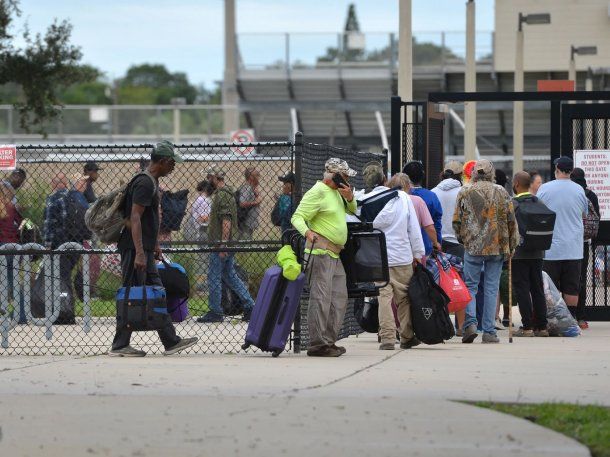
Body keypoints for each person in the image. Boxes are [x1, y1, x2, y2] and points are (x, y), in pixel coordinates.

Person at [110, 141, 198, 357]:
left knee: (157, 292)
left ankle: (170, 341)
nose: (174, 167)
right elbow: (135, 217)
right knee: (131, 293)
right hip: (134, 249)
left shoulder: (151, 181)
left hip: (144, 249)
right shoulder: (145, 183)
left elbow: (148, 219)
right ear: (163, 161)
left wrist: (154, 244)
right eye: (172, 163)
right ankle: (120, 344)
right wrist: (140, 252)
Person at [291, 158, 357, 357]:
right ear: (335, 176)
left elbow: (352, 211)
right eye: (344, 176)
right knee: (321, 298)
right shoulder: (318, 192)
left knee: (339, 297)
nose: (347, 180)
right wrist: (307, 233)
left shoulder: (337, 193)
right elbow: (297, 217)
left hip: (335, 253)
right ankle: (317, 344)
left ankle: (328, 340)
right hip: (321, 252)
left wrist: (350, 197)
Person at [453, 159, 518, 344]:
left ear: (473, 173)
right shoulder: (501, 192)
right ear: (492, 173)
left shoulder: (465, 191)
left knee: (471, 286)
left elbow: (457, 220)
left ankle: (470, 323)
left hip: (472, 246)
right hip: (496, 245)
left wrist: (462, 238)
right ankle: (489, 331)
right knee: (491, 287)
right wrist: (512, 244)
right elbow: (511, 220)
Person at [361, 163, 425, 350]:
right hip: (402, 256)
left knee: (384, 297)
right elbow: (413, 228)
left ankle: (387, 337)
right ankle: (406, 336)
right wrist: (418, 253)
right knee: (403, 298)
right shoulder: (404, 198)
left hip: (379, 257)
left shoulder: (371, 200)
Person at [197, 165, 255, 323]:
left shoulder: (222, 195)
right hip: (226, 242)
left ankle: (216, 311)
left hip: (221, 244)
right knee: (229, 274)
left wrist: (223, 244)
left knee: (214, 276)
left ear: (215, 178)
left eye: (209, 178)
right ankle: (249, 305)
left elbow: (226, 220)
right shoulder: (225, 194)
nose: (207, 181)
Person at [537, 157, 588, 320]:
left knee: (549, 288)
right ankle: (571, 320)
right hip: (573, 248)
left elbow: (537, 213)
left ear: (557, 169)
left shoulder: (545, 188)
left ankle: (552, 319)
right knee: (572, 288)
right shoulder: (579, 190)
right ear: (571, 171)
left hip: (551, 248)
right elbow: (583, 214)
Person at [511, 171, 549, 337]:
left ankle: (527, 327)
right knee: (537, 288)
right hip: (538, 252)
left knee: (522, 289)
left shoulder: (513, 203)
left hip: (519, 253)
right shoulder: (539, 201)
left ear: (517, 184)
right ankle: (542, 327)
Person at [571, 167, 600, 330]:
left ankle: (568, 314)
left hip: (567, 242)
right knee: (580, 280)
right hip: (584, 242)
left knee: (563, 279)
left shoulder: (571, 193)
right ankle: (581, 317)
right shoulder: (590, 195)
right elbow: (597, 217)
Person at [388, 173, 440, 255]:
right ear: (409, 185)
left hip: (392, 250)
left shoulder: (387, 201)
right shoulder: (417, 201)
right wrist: (435, 242)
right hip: (415, 249)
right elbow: (429, 227)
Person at [403, 161, 443, 256]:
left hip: (404, 247)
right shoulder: (431, 196)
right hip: (426, 246)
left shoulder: (399, 196)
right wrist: (437, 242)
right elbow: (437, 223)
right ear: (422, 176)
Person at [432, 161, 463, 258]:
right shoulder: (464, 192)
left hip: (437, 242)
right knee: (458, 273)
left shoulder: (433, 192)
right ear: (460, 175)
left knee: (441, 273)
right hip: (458, 243)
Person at [190, 179, 213, 291]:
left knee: (202, 258)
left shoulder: (199, 199)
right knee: (205, 259)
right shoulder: (205, 200)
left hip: (200, 231)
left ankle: (202, 285)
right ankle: (203, 286)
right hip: (204, 230)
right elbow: (204, 217)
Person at [237, 167, 262, 240]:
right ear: (251, 177)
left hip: (249, 223)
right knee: (245, 245)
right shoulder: (247, 188)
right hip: (245, 223)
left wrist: (256, 194)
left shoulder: (251, 188)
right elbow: (242, 203)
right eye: (257, 175)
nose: (258, 177)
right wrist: (256, 202)